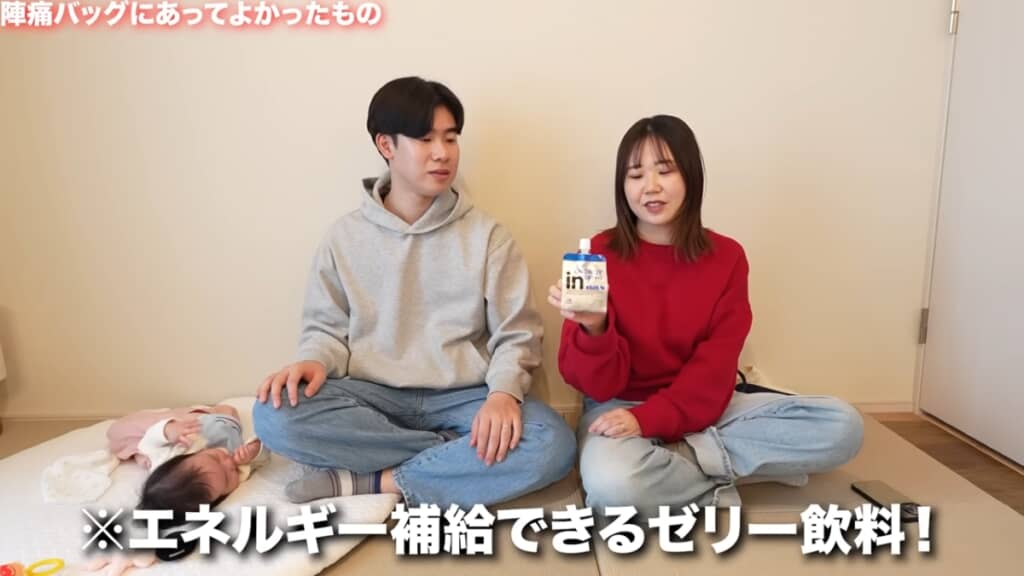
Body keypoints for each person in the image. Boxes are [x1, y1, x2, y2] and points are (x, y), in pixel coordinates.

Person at [253, 76, 575, 508]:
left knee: (551, 442)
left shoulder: (488, 236)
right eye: (425, 139)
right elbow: (325, 329)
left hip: (465, 395)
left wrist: (502, 395)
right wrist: (313, 360)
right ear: (386, 145)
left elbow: (517, 335)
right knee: (274, 414)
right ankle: (451, 454)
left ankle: (377, 480)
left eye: (451, 138)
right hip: (373, 396)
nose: (443, 153)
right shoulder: (344, 237)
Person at [549, 114, 863, 518]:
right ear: (622, 186)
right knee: (615, 485)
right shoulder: (598, 253)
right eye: (636, 175)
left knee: (843, 426)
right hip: (618, 408)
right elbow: (593, 383)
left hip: (706, 404)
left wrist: (651, 420)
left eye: (665, 171)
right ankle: (727, 466)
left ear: (691, 176)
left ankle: (679, 461)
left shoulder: (727, 257)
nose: (650, 186)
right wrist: (594, 329)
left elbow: (715, 370)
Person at [106, 403, 267, 520]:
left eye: (214, 458)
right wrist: (253, 449)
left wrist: (168, 430)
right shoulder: (240, 472)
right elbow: (263, 456)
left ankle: (193, 414)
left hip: (194, 428)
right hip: (227, 429)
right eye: (226, 478)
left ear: (187, 457)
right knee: (229, 411)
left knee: (126, 435)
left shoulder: (168, 456)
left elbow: (149, 442)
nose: (228, 462)